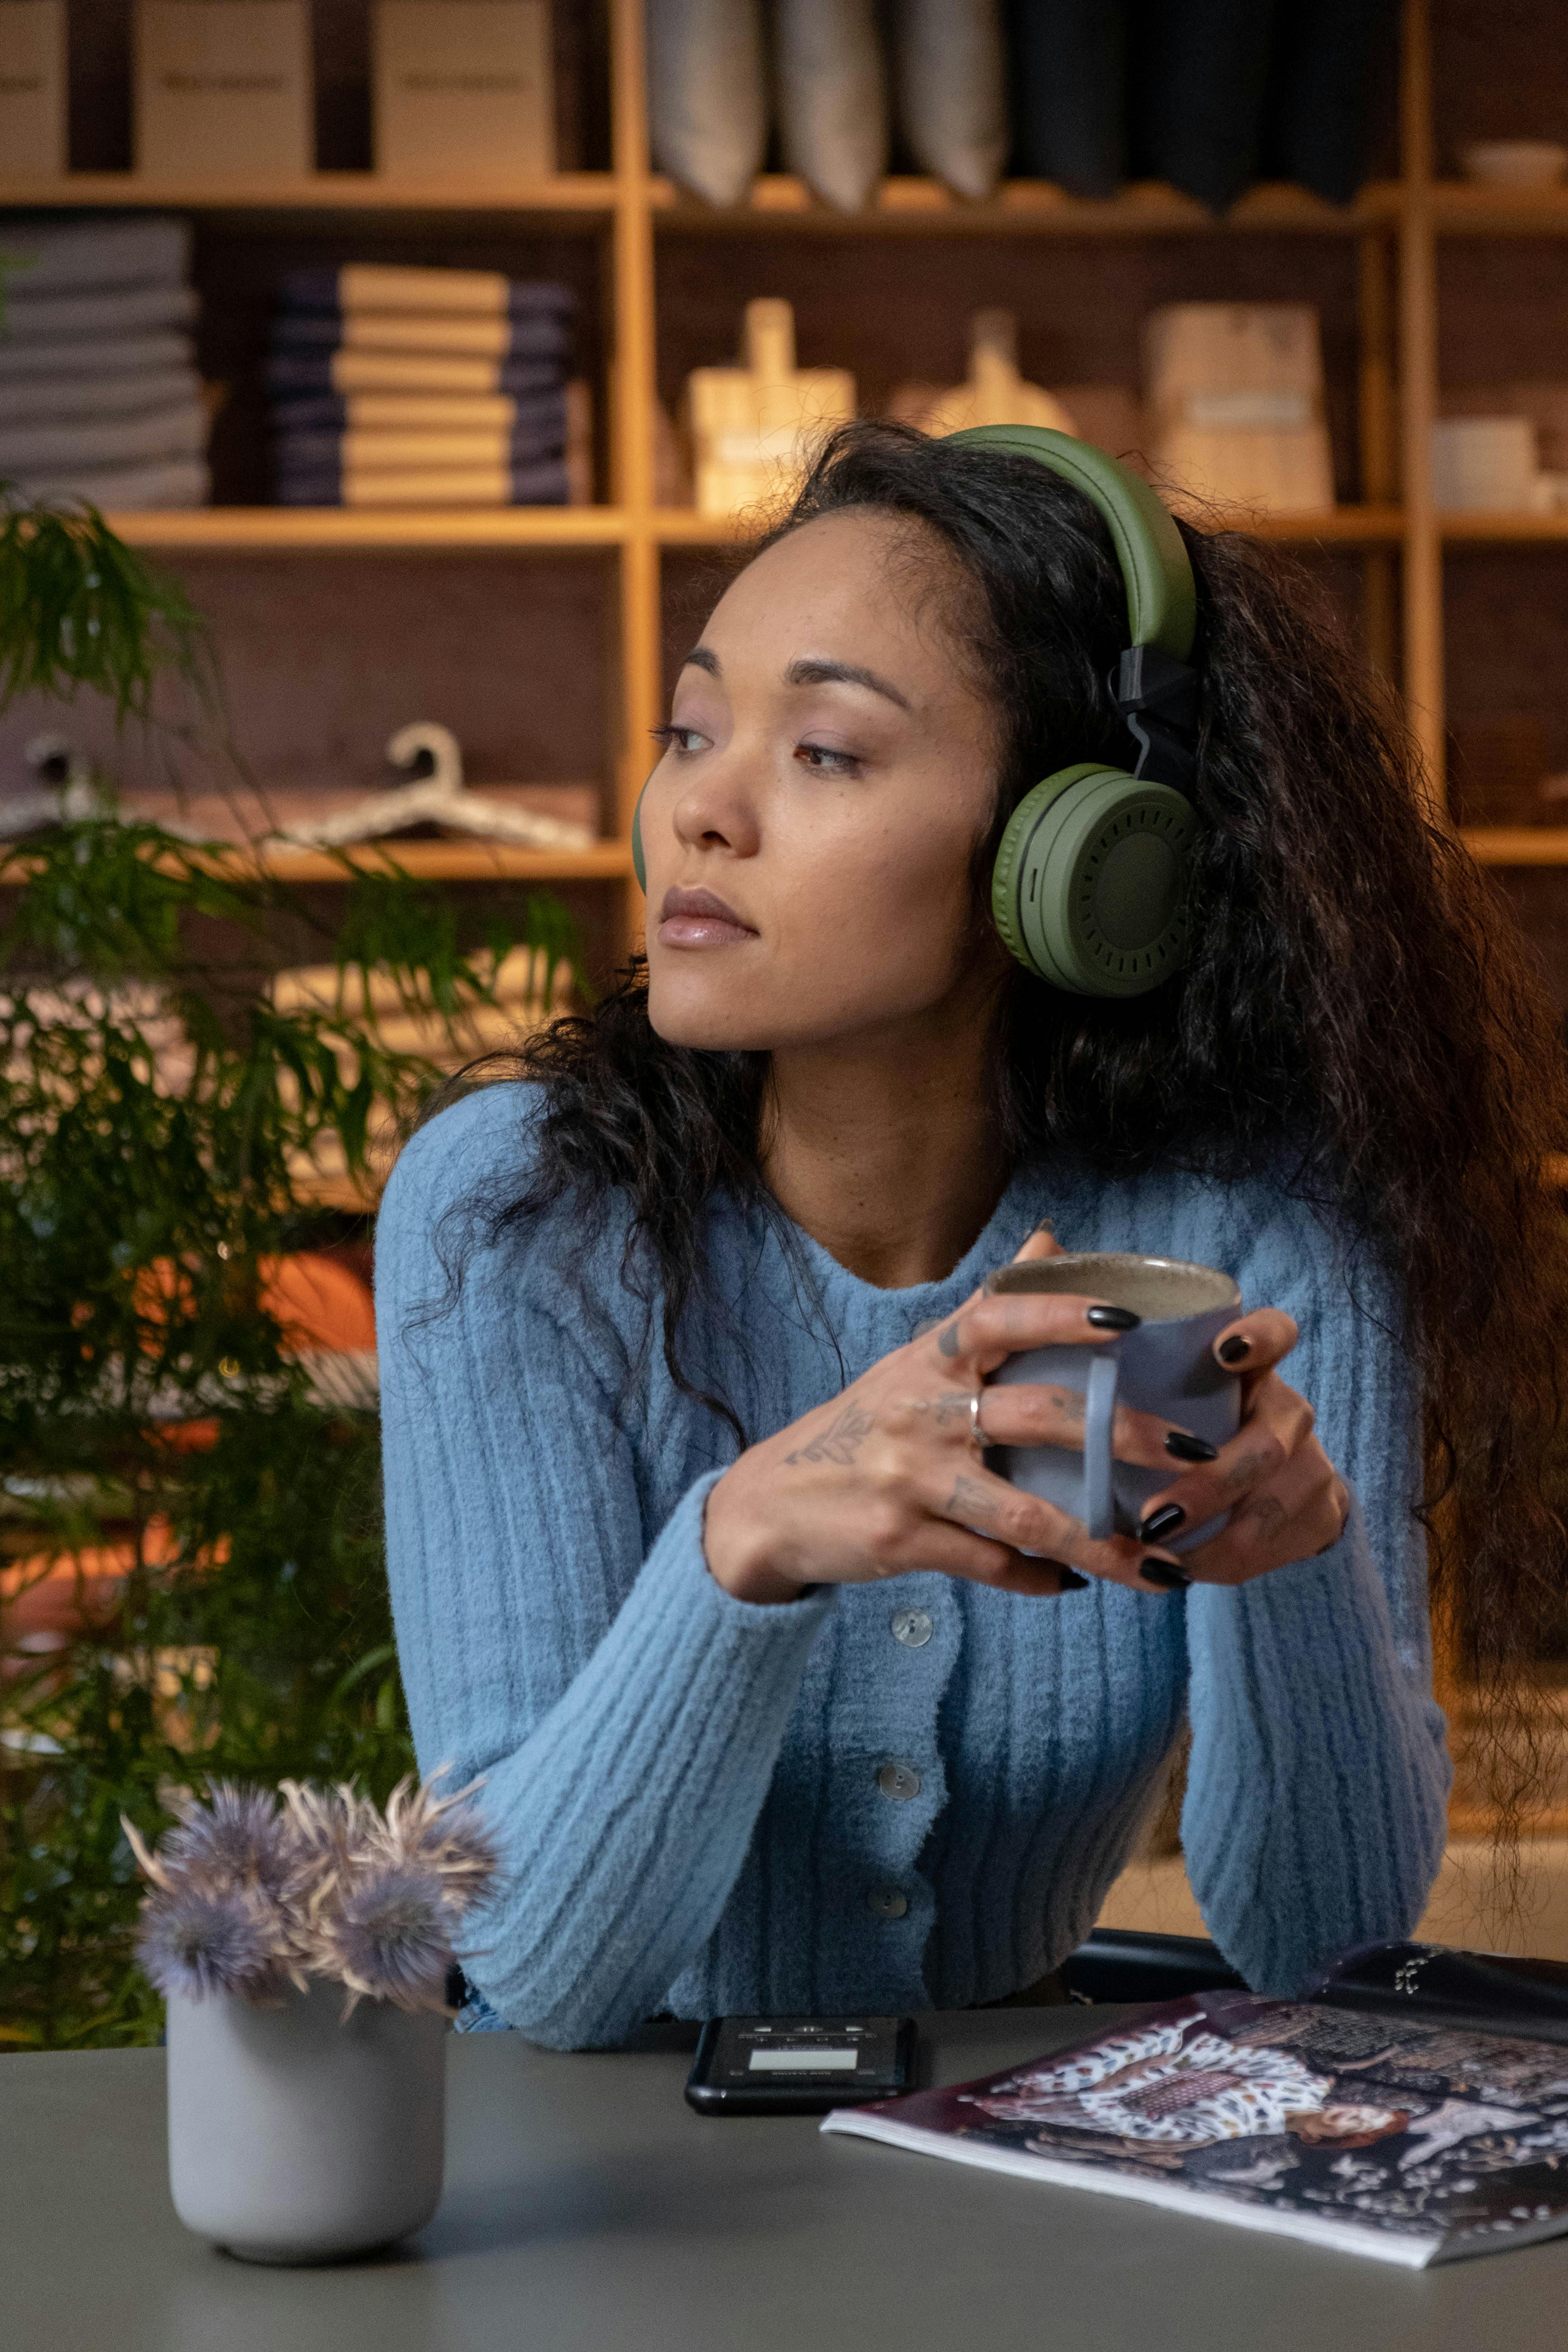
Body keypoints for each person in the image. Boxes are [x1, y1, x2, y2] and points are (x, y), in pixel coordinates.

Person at [376, 422, 1568, 2048]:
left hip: (1009, 2167)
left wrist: (1294, 1569)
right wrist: (746, 1544)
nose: (699, 813)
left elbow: (1322, 1945)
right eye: (691, 729)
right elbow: (535, 1969)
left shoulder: (1252, 1227)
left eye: (825, 753)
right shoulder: (519, 1210)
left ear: (1073, 859)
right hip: (612, 2189)